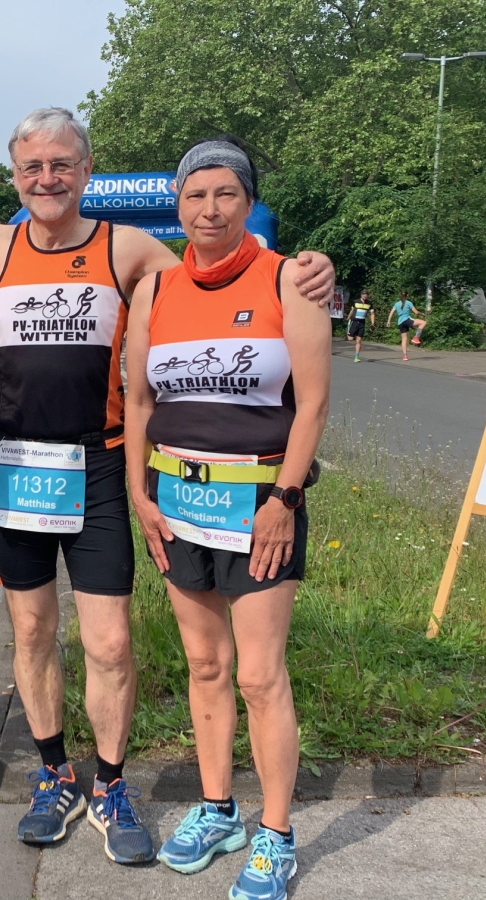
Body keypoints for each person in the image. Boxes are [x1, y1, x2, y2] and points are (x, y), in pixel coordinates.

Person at [0, 107, 337, 865]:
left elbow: (215, 262)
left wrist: (308, 267)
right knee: (31, 632)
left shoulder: (126, 247)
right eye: (32, 167)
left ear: (87, 171)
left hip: (98, 462)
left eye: (62, 164)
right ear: (15, 176)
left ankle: (111, 784)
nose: (47, 178)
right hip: (17, 462)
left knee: (110, 641)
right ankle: (55, 774)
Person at [125, 138, 330, 900]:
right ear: (177, 204)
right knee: (204, 666)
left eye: (225, 194)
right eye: (194, 195)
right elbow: (138, 401)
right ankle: (218, 810)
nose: (208, 209)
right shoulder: (155, 290)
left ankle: (276, 835)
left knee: (258, 675)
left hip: (259, 505)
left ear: (248, 202)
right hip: (178, 502)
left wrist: (285, 499)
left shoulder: (288, 279)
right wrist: (140, 495)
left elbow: (313, 404)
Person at [389, 290, 426, 359]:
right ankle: (416, 338)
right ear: (407, 295)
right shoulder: (409, 303)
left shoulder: (397, 304)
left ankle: (405, 356)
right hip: (406, 320)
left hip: (400, 322)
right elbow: (416, 312)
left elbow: (391, 312)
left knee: (404, 339)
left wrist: (388, 321)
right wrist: (422, 314)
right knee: (423, 323)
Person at [345, 290, 374, 361]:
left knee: (359, 339)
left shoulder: (369, 303)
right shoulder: (356, 301)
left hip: (362, 322)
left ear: (368, 296)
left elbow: (372, 313)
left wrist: (372, 323)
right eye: (363, 295)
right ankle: (350, 330)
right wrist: (348, 317)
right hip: (354, 321)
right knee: (350, 339)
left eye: (366, 295)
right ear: (361, 295)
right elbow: (352, 310)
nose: (365, 296)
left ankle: (356, 357)